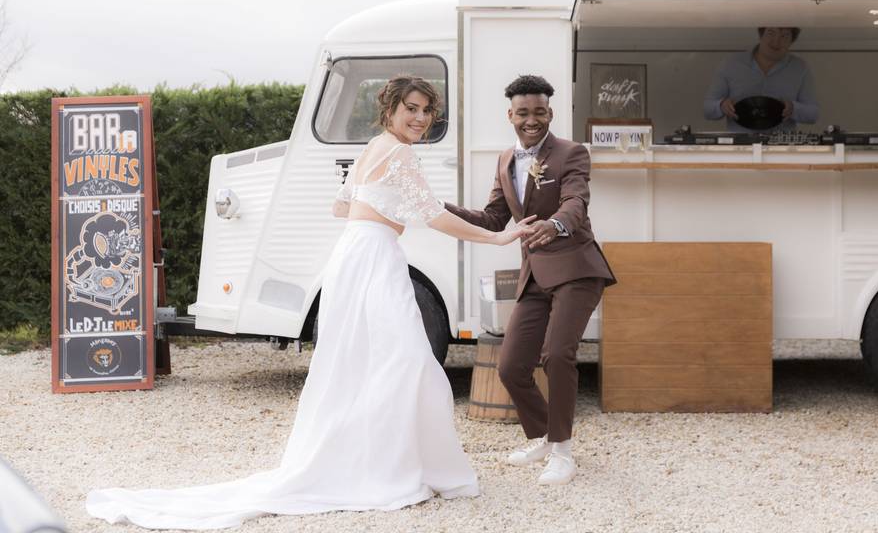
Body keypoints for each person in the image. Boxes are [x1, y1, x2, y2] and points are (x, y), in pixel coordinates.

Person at [86, 76, 535, 530]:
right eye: (411, 109)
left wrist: (385, 210)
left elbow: (340, 208)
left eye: (426, 112)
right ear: (391, 110)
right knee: (408, 361)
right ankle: (399, 469)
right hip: (374, 258)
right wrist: (497, 236)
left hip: (352, 255)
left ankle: (382, 462)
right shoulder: (398, 152)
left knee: (362, 363)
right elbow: (435, 217)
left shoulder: (373, 147)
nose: (419, 119)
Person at [445, 75, 616, 486]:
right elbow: (492, 218)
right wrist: (439, 207)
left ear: (550, 113)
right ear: (511, 115)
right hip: (534, 276)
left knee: (557, 354)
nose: (532, 119)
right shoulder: (505, 160)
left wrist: (556, 224)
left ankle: (562, 451)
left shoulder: (571, 153)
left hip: (576, 269)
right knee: (510, 368)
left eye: (539, 112)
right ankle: (542, 435)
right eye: (523, 112)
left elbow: (576, 201)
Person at [703, 27, 819, 132]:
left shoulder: (800, 67)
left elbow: (813, 113)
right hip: (740, 147)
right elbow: (708, 109)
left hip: (782, 147)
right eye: (771, 32)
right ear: (761, 34)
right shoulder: (731, 63)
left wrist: (793, 108)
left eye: (784, 36)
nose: (776, 41)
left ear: (792, 41)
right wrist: (721, 105)